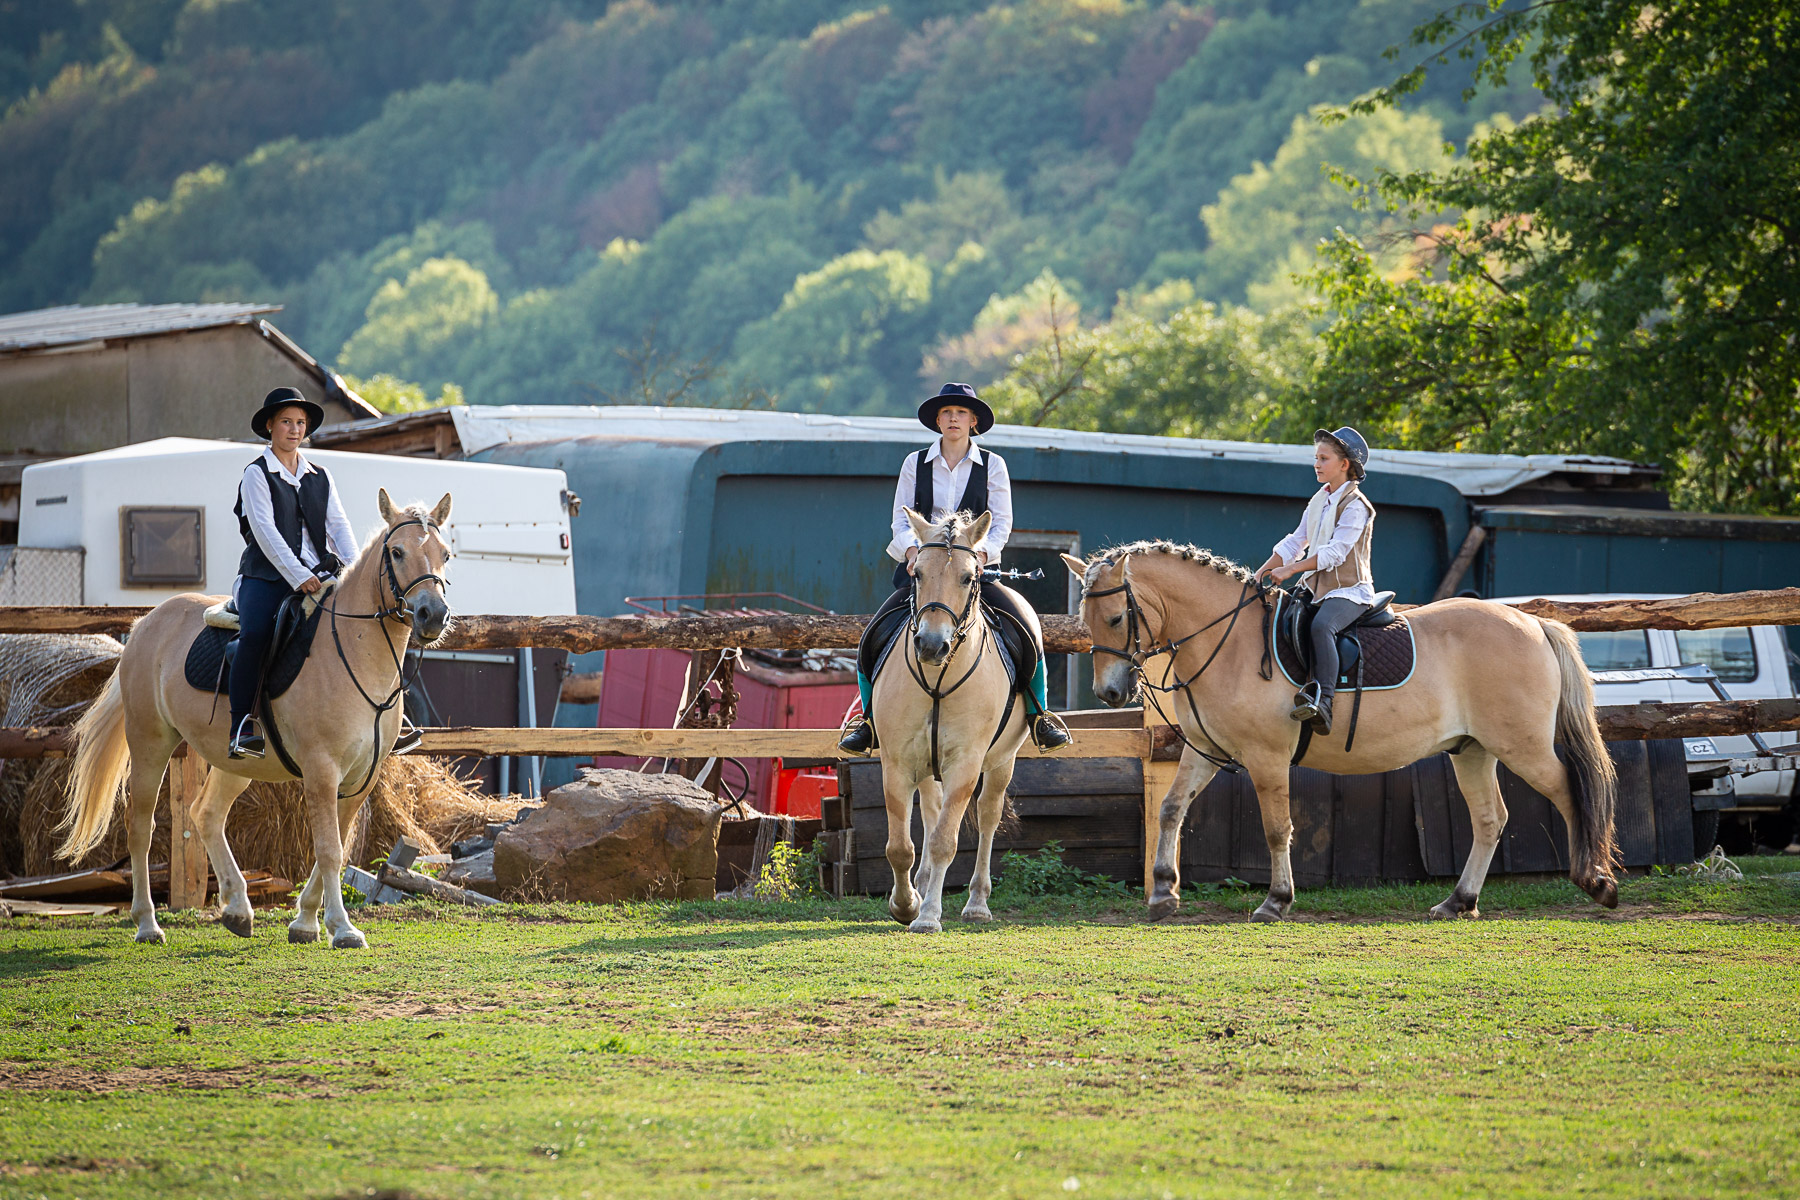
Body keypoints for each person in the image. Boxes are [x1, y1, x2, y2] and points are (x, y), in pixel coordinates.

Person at [837, 383, 1071, 754]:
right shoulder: (914, 463)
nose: (953, 419)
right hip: (923, 574)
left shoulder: (993, 465)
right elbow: (900, 520)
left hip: (973, 573)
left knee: (1026, 630)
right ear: (937, 420)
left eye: (961, 412)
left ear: (973, 421)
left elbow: (1001, 523)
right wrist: (912, 553)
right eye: (946, 412)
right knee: (871, 637)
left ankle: (1040, 716)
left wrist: (979, 557)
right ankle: (867, 723)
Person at [226, 387, 360, 759]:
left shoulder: (321, 476)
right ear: (270, 426)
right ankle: (241, 727)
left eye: (300, 422)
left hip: (320, 574)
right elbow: (265, 532)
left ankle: (382, 720)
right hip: (266, 578)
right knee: (255, 633)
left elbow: (339, 527)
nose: (295, 429)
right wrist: (298, 575)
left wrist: (355, 570)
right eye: (286, 421)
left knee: (368, 622)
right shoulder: (256, 474)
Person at [1254, 426, 1377, 736]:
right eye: (1316, 458)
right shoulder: (1320, 499)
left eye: (1324, 459)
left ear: (1344, 464)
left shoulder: (1356, 505)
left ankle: (1324, 702)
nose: (1317, 464)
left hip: (1349, 592)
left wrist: (1291, 571)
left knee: (1322, 626)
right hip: (1315, 588)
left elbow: (1335, 554)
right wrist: (1259, 573)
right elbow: (1296, 541)